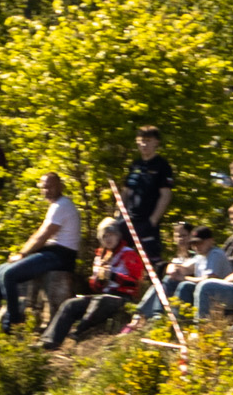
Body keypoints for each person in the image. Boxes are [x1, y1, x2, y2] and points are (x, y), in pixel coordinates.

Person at [0, 173, 81, 332]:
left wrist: (22, 254)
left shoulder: (61, 206)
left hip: (61, 255)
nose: (47, 190)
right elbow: (40, 234)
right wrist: (22, 253)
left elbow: (42, 235)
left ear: (60, 186)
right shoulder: (56, 206)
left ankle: (12, 322)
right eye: (44, 187)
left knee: (9, 275)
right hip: (52, 251)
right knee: (0, 270)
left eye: (51, 186)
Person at [44, 217, 148, 349]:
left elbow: (136, 282)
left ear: (118, 236)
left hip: (123, 297)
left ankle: (78, 332)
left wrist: (113, 276)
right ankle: (50, 341)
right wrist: (99, 280)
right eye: (105, 236)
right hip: (103, 295)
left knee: (101, 301)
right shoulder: (100, 257)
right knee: (70, 304)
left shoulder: (128, 254)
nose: (108, 239)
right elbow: (94, 287)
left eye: (111, 234)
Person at [116, 125, 174, 270]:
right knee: (119, 258)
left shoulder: (162, 165)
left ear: (156, 142)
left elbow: (166, 195)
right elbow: (126, 191)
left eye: (148, 141)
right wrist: (118, 213)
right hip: (128, 220)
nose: (144, 144)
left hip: (147, 221)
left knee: (152, 263)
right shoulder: (135, 165)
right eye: (141, 141)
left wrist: (153, 220)